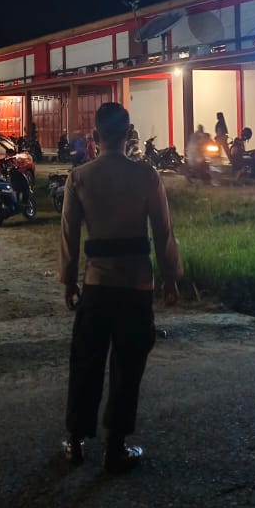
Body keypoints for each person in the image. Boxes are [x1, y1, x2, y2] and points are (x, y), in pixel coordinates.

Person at [59, 102, 183, 473]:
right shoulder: (147, 176)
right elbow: (163, 231)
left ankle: (77, 442)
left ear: (95, 137)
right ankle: (116, 448)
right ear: (130, 135)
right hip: (137, 286)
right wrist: (171, 278)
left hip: (97, 286)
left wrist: (68, 280)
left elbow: (68, 235)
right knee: (128, 368)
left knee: (86, 363)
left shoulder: (79, 177)